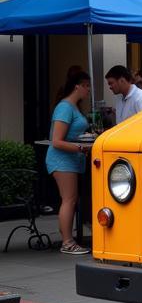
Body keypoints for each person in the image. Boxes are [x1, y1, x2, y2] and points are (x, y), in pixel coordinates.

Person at [44, 71, 92, 255]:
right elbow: (57, 140)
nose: (88, 90)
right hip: (62, 160)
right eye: (86, 85)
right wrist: (81, 148)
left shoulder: (73, 107)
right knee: (69, 200)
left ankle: (68, 239)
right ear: (77, 86)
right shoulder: (65, 108)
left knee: (71, 200)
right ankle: (67, 242)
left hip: (71, 160)